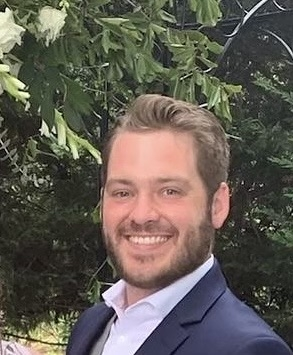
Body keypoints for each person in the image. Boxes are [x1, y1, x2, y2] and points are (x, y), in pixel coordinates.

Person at [66, 94, 292, 355]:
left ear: (217, 205)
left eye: (169, 191)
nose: (141, 215)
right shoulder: (92, 326)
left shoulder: (247, 349)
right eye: (123, 192)